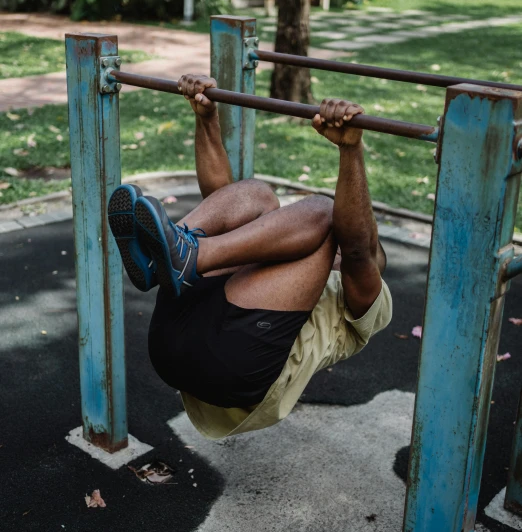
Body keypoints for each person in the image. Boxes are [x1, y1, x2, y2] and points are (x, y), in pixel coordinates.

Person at [108, 75, 392, 439]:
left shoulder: (368, 297)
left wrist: (351, 150)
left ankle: (186, 255)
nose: (336, 249)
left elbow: (356, 246)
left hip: (233, 371)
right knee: (256, 195)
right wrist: (206, 119)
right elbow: (222, 200)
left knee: (323, 212)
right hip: (176, 338)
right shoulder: (286, 256)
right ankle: (167, 255)